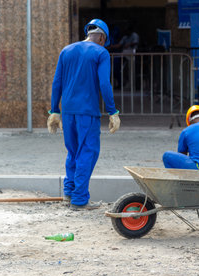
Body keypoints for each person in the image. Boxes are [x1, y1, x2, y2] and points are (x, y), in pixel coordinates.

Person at [47, 19, 121, 210]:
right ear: (102, 37)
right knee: (87, 153)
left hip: (68, 112)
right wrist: (113, 111)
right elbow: (104, 84)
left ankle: (69, 193)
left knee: (72, 152)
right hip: (87, 112)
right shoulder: (101, 53)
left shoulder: (67, 50)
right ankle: (80, 200)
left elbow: (57, 83)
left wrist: (55, 110)